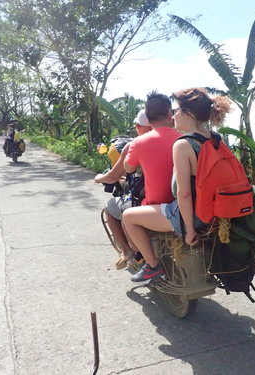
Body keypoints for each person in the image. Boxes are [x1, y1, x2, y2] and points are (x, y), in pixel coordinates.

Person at [123, 88, 231, 285]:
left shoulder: (183, 144)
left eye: (178, 110)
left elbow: (184, 194)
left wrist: (189, 230)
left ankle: (153, 267)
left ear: (189, 114)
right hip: (215, 210)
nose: (174, 115)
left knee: (128, 217)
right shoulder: (217, 139)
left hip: (191, 214)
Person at [121, 91, 183, 282]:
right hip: (183, 205)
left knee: (127, 217)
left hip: (158, 207)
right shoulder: (184, 139)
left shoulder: (138, 143)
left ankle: (151, 266)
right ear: (169, 113)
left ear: (147, 117)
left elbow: (128, 168)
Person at [94, 110, 152, 269]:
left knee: (110, 207)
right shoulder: (176, 140)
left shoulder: (133, 145)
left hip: (145, 199)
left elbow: (113, 176)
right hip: (171, 199)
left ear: (138, 126)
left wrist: (99, 177)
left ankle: (127, 252)